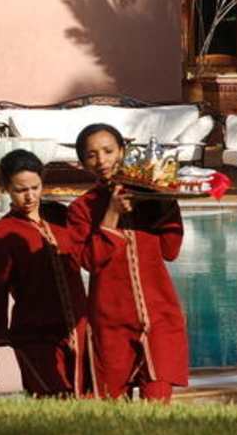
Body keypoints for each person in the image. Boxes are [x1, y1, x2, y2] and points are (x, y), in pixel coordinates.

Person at [66, 123, 189, 402]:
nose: (102, 160)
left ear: (122, 151)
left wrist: (166, 201)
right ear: (82, 163)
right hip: (111, 322)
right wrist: (111, 214)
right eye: (92, 155)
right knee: (110, 405)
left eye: (108, 151)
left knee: (157, 401)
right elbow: (90, 261)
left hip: (159, 316)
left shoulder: (150, 197)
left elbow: (170, 251)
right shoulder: (81, 209)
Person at [0, 148, 97, 397]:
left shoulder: (62, 216)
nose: (30, 196)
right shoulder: (2, 233)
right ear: (6, 189)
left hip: (79, 329)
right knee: (53, 399)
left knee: (85, 400)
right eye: (20, 190)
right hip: (34, 335)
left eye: (35, 187)